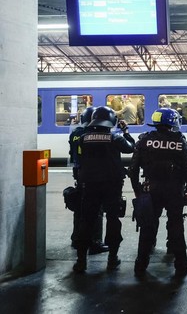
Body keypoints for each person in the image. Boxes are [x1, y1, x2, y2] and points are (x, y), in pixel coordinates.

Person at [128, 108, 187, 278]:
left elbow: (133, 168)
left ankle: (140, 265)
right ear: (173, 122)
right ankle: (181, 264)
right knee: (176, 226)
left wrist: (137, 190)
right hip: (174, 189)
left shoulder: (144, 140)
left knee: (147, 226)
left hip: (151, 189)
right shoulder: (180, 141)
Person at [73, 106, 136, 273]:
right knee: (113, 221)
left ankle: (81, 261)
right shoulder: (115, 138)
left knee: (86, 221)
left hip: (90, 186)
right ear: (111, 121)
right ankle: (112, 259)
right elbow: (131, 148)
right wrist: (126, 131)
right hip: (111, 186)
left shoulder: (83, 138)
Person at [68, 106, 108, 255]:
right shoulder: (91, 134)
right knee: (96, 211)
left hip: (79, 174)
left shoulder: (75, 133)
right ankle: (95, 242)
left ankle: (76, 238)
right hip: (92, 176)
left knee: (79, 208)